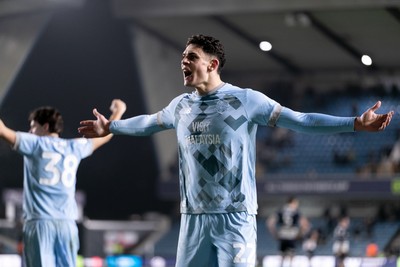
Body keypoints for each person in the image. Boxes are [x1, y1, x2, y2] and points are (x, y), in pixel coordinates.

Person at [78, 34, 394, 267]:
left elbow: (301, 120)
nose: (183, 62)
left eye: (191, 57)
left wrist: (353, 123)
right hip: (192, 220)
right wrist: (112, 127)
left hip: (235, 218)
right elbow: (148, 122)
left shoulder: (245, 100)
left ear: (212, 64)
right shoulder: (181, 107)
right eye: (183, 57)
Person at [0, 99, 126, 267]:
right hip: (67, 225)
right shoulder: (74, 146)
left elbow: (2, 131)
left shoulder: (35, 143)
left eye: (33, 126)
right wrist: (119, 111)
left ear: (45, 127)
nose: (30, 131)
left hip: (40, 224)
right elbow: (106, 135)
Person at [267, 197, 310, 267]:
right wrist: (300, 234)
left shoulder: (280, 211)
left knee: (282, 258)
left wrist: (275, 233)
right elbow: (305, 225)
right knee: (291, 258)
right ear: (293, 202)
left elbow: (270, 223)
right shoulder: (296, 212)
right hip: (292, 236)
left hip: (282, 235)